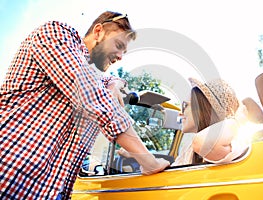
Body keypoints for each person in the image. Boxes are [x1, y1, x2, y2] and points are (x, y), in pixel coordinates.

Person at [0, 11, 169, 199]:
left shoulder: (97, 78)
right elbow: (91, 96)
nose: (121, 56)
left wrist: (115, 82)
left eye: (124, 51)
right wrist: (147, 160)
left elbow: (103, 82)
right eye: (119, 45)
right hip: (8, 178)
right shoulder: (55, 34)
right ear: (98, 32)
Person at [171, 77, 249, 166]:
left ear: (201, 107)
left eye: (185, 105)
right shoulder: (188, 149)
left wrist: (238, 120)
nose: (180, 114)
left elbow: (202, 143)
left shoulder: (235, 144)